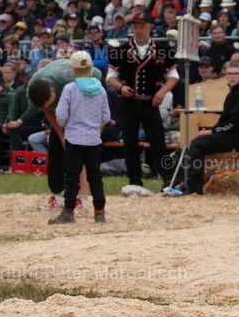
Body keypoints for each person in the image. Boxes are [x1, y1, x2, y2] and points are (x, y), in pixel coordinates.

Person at [105, 12, 178, 193]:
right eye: (135, 27)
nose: (138, 30)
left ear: (149, 28)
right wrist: (121, 88)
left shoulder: (163, 49)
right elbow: (110, 77)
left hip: (150, 103)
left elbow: (174, 77)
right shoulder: (120, 50)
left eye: (141, 26)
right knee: (130, 142)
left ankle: (168, 181)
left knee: (158, 141)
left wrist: (161, 92)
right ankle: (135, 181)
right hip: (127, 102)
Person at [165, 61, 239, 195]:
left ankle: (194, 188)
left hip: (238, 136)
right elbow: (225, 121)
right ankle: (185, 182)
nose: (232, 77)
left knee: (199, 144)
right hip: (232, 133)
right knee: (197, 142)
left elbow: (233, 123)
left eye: (235, 74)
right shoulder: (234, 92)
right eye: (229, 74)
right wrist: (214, 130)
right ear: (225, 75)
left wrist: (212, 131)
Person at [27, 56, 105, 208]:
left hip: (84, 113)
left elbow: (96, 75)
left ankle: (82, 198)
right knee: (56, 153)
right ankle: (59, 195)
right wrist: (62, 136)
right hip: (62, 117)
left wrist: (96, 130)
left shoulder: (69, 79)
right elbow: (49, 112)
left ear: (53, 90)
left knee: (82, 154)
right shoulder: (34, 86)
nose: (49, 105)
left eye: (50, 101)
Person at [48, 52, 110, 224]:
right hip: (93, 139)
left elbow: (60, 115)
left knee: (71, 177)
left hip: (74, 138)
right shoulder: (101, 89)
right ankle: (99, 211)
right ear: (90, 68)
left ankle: (68, 212)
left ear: (73, 69)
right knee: (95, 176)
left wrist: (68, 125)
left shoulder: (69, 89)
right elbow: (106, 116)